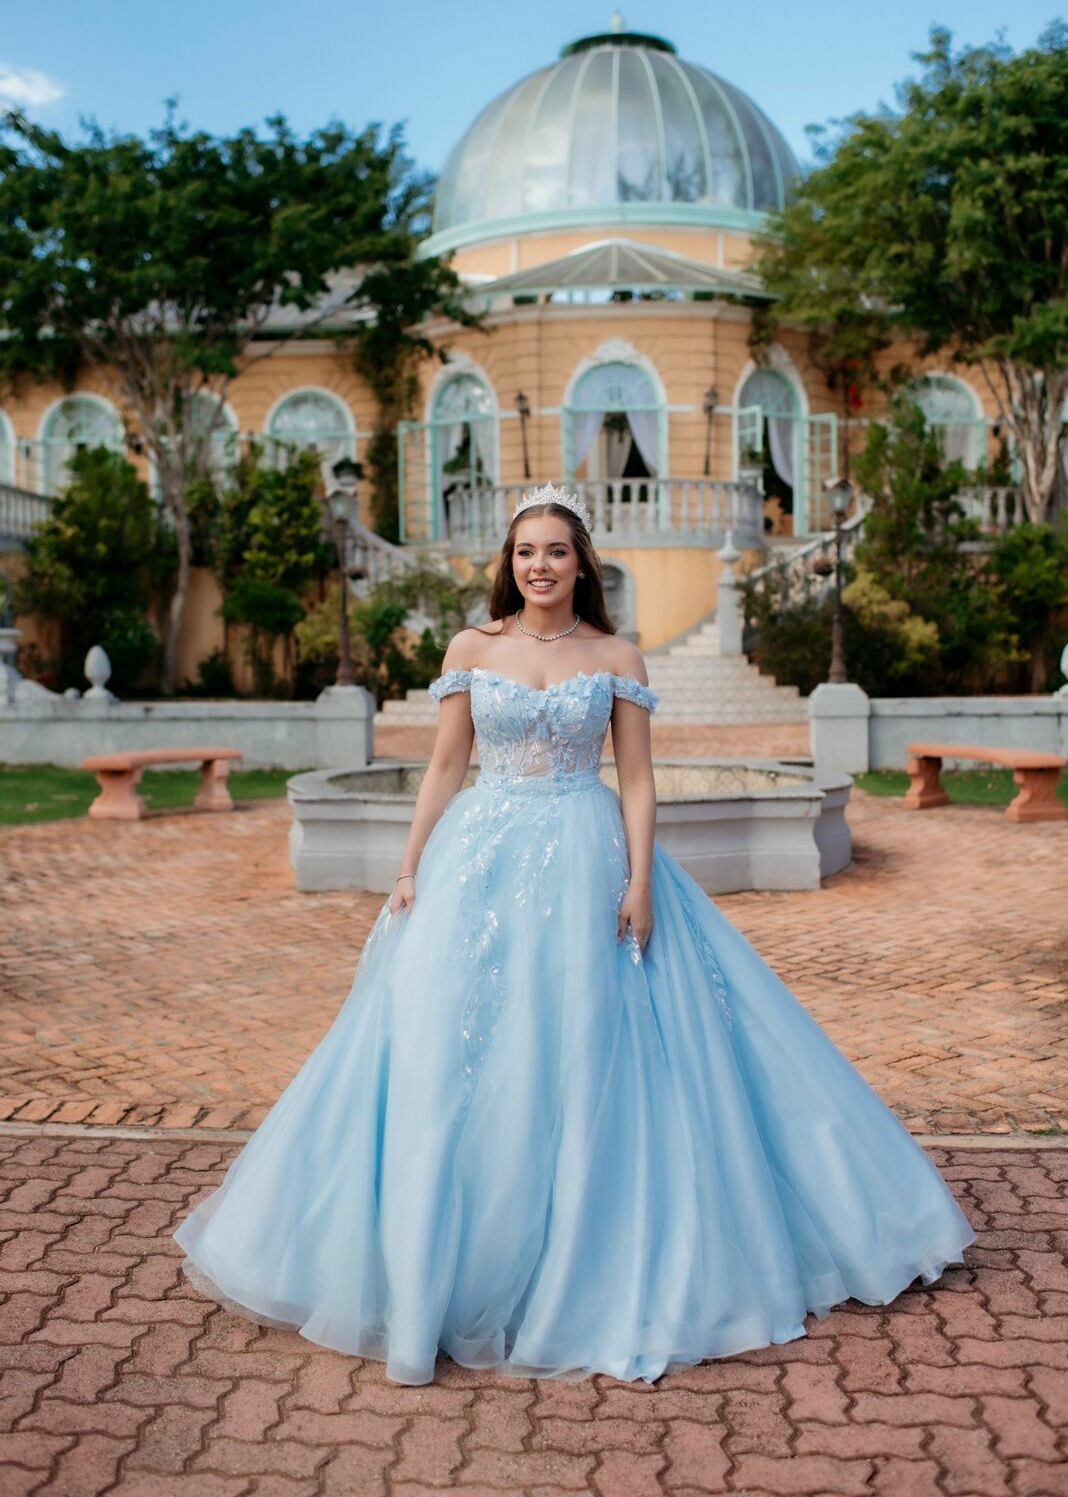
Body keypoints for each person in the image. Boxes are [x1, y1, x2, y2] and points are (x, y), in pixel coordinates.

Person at [174, 482, 973, 1386]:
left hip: (586, 853)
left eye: (556, 550)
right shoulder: (472, 647)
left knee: (589, 1045)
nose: (540, 565)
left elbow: (636, 777)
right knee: (451, 1052)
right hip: (480, 862)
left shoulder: (617, 653)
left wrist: (639, 880)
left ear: (581, 562)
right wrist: (408, 868)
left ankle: (584, 1262)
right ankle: (435, 1266)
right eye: (525, 551)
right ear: (508, 563)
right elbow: (442, 767)